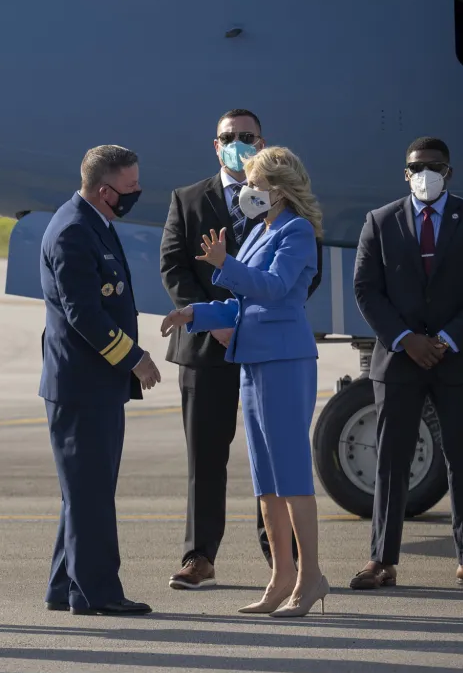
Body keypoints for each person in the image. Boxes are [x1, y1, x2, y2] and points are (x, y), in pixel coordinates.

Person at [161, 146, 327, 617]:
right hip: (253, 359)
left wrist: (223, 264)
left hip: (284, 360)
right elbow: (243, 305)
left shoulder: (297, 232)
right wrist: (195, 312)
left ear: (277, 188)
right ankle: (281, 578)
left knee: (291, 472)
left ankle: (311, 575)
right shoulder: (261, 229)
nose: (248, 191)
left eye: (255, 184)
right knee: (266, 479)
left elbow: (273, 289)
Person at [350, 137, 463, 591]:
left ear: (449, 173)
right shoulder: (378, 222)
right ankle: (382, 560)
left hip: (457, 358)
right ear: (405, 173)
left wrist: (445, 338)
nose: (425, 173)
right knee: (392, 460)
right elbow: (366, 290)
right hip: (399, 359)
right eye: (417, 167)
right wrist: (405, 340)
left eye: (434, 166)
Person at [161, 108, 292, 590]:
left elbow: (302, 271)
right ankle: (199, 557)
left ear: (262, 142)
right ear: (216, 146)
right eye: (229, 137)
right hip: (206, 347)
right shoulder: (188, 199)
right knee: (206, 456)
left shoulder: (282, 200)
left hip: (265, 345)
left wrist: (255, 319)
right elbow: (174, 268)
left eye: (247, 136)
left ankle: (282, 556)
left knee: (274, 453)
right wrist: (212, 320)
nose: (238, 142)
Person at [40, 145, 162, 617]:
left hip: (92, 384)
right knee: (90, 493)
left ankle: (63, 584)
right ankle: (97, 593)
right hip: (82, 385)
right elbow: (84, 315)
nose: (137, 194)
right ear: (104, 189)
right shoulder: (73, 231)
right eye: (130, 187)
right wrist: (134, 358)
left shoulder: (94, 222)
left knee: (84, 489)